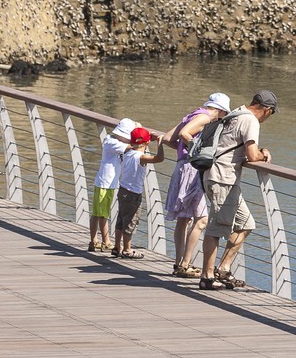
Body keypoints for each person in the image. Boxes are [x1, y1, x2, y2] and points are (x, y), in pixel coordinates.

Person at [199, 90, 278, 290]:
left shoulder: (236, 113)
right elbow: (252, 155)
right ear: (267, 109)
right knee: (216, 228)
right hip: (222, 179)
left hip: (217, 176)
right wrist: (263, 154)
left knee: (245, 223)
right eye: (271, 113)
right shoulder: (250, 120)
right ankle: (207, 277)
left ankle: (223, 268)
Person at [161, 92, 231, 275]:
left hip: (182, 167)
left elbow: (168, 138)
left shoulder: (192, 115)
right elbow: (184, 134)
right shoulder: (205, 117)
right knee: (202, 220)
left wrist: (183, 150)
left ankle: (179, 264)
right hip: (192, 170)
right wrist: (198, 152)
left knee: (184, 219)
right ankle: (185, 263)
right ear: (221, 110)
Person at [113, 127, 166, 258]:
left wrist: (146, 139)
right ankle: (127, 250)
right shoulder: (141, 157)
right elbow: (159, 158)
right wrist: (160, 142)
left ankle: (116, 247)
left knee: (121, 219)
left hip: (123, 190)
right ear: (146, 143)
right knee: (130, 221)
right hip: (133, 194)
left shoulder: (127, 153)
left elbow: (138, 143)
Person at [88, 116, 135, 251]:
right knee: (102, 214)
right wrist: (142, 141)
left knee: (98, 213)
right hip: (105, 184)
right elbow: (130, 147)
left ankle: (94, 241)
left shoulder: (112, 140)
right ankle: (106, 241)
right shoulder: (112, 143)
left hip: (107, 183)